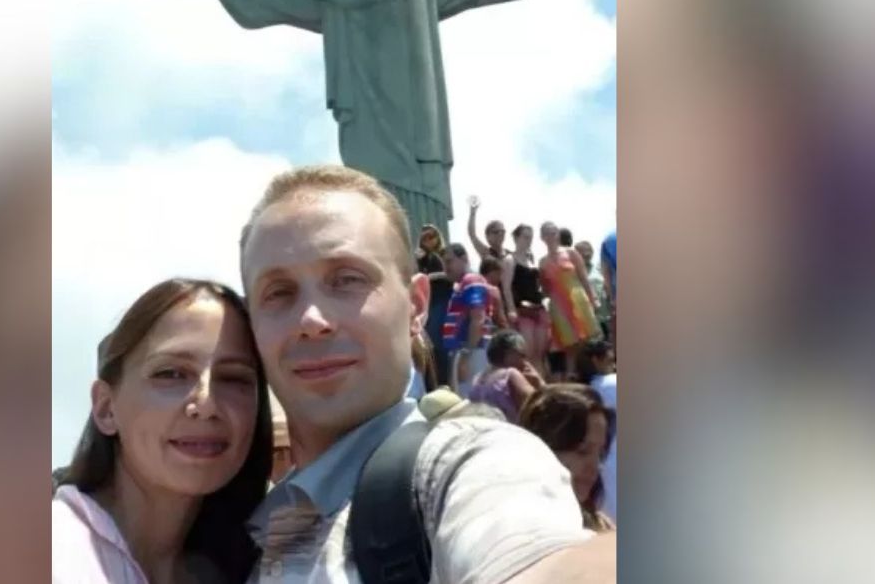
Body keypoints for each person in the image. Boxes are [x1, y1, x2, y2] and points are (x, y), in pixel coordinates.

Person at [158, 0, 607, 239]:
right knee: (368, 180)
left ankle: (425, 254)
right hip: (364, 95)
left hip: (415, 100)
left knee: (419, 180)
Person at [239, 164, 614, 582]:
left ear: (416, 306)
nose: (311, 319)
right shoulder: (241, 531)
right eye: (278, 292)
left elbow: (537, 559)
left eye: (347, 279)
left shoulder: (466, 465)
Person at [53, 279, 274, 584]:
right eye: (170, 374)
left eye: (234, 378)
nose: (207, 403)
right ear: (106, 408)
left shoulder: (265, 568)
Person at [519, 384, 616, 533]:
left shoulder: (599, 526)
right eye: (582, 451)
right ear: (543, 446)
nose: (596, 466)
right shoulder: (517, 531)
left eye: (601, 454)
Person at [538, 221, 602, 380]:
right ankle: (572, 376)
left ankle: (591, 373)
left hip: (577, 298)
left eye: (553, 232)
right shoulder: (542, 262)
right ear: (542, 238)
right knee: (569, 344)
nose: (551, 235)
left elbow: (583, 277)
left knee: (587, 337)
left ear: (558, 234)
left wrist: (593, 298)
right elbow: (545, 288)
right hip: (558, 304)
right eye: (546, 233)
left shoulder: (571, 253)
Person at [441, 242, 498, 397]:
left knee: (471, 403)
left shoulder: (471, 280)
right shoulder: (462, 284)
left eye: (449, 261)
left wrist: (466, 355)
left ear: (464, 258)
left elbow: (478, 319)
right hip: (468, 352)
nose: (446, 267)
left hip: (473, 353)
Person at [502, 223, 553, 374]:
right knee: (528, 352)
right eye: (525, 237)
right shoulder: (510, 259)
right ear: (516, 238)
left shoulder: (532, 259)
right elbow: (506, 287)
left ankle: (541, 386)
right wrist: (511, 309)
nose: (528, 240)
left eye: (530, 237)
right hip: (522, 310)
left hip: (538, 307)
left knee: (540, 352)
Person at [576, 341, 617, 524]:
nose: (614, 365)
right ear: (596, 360)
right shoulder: (610, 384)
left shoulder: (581, 390)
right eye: (609, 360)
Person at [467, 329, 545, 423]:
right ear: (510, 353)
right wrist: (540, 383)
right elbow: (539, 409)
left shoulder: (478, 379)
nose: (525, 361)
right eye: (522, 355)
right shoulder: (510, 375)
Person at [575, 240, 613, 342]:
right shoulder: (575, 272)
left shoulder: (598, 267)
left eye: (588, 250)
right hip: (589, 313)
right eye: (582, 252)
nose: (586, 254)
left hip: (605, 310)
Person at [468, 195, 510, 261]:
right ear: (487, 236)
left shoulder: (511, 255)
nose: (500, 234)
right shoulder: (486, 253)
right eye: (496, 232)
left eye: (503, 231)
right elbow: (472, 234)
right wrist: (473, 213)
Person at [480, 255, 512, 331]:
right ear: (492, 272)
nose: (500, 278)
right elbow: (501, 320)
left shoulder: (471, 287)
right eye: (499, 274)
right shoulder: (493, 290)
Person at [600, 230, 617, 342]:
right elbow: (607, 272)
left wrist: (612, 298)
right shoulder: (609, 241)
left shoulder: (608, 240)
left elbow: (606, 272)